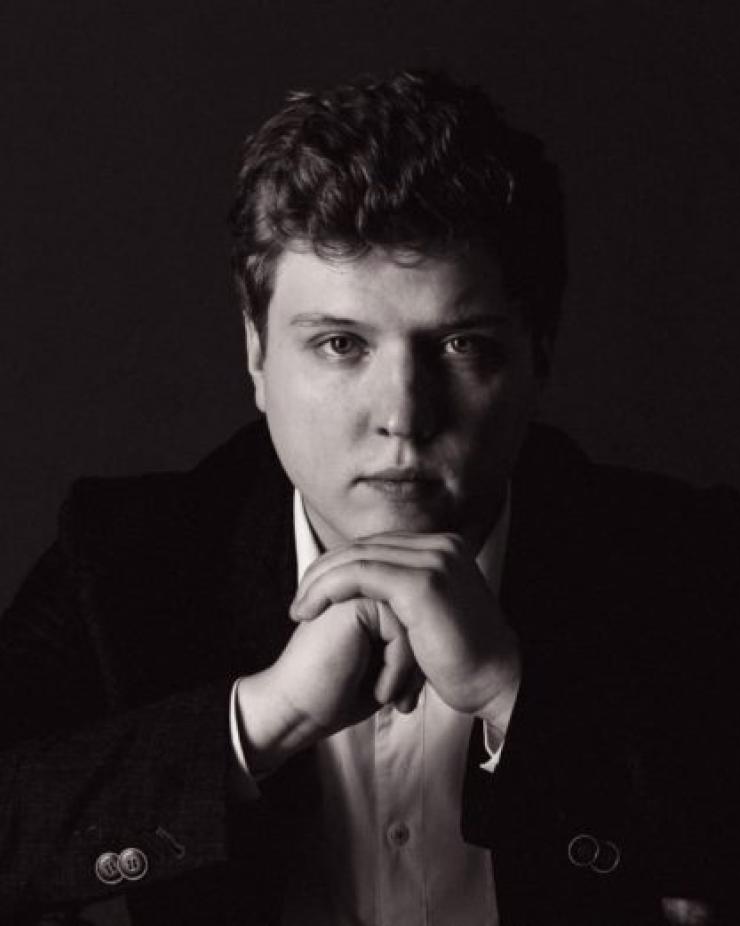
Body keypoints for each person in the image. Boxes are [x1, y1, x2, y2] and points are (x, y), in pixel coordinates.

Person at [1, 69, 738, 926]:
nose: (403, 416)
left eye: (461, 345)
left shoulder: (691, 560)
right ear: (256, 354)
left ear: (539, 353)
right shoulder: (126, 559)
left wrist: (513, 695)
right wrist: (260, 720)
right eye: (341, 344)